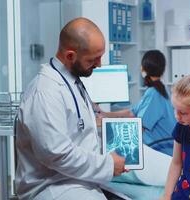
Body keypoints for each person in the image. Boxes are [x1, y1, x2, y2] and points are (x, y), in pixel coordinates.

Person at [15, 17, 128, 200]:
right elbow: (57, 154)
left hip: (76, 178)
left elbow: (80, 129)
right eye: (93, 59)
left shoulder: (71, 81)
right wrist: (107, 165)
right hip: (52, 186)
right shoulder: (45, 92)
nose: (99, 64)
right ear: (70, 56)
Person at [97, 50, 176, 156]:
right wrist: (106, 115)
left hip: (161, 151)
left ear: (143, 69)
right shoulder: (159, 89)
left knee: (111, 155)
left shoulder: (154, 93)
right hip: (165, 149)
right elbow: (132, 113)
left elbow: (139, 127)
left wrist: (107, 125)